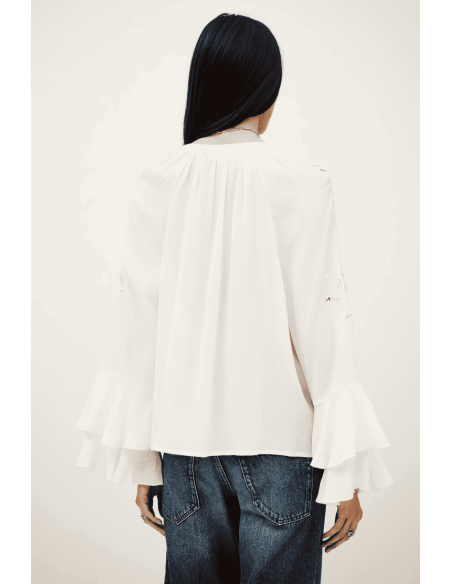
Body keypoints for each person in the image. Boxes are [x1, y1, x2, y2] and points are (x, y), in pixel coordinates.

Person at [75, 13, 393, 584]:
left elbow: (137, 327)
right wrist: (347, 471)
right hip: (282, 448)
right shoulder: (302, 180)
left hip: (184, 453)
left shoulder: (159, 178)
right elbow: (323, 326)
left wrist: (145, 459)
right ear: (266, 90)